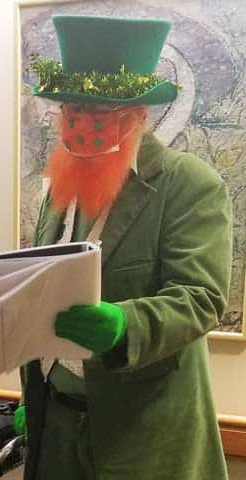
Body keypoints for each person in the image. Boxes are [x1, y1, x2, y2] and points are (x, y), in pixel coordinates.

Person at [19, 15, 232, 480]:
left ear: (137, 115)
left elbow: (202, 297)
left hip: (143, 440)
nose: (78, 122)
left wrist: (124, 325)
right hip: (53, 426)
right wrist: (34, 391)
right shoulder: (58, 190)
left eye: (96, 112)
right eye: (70, 108)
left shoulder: (188, 184)